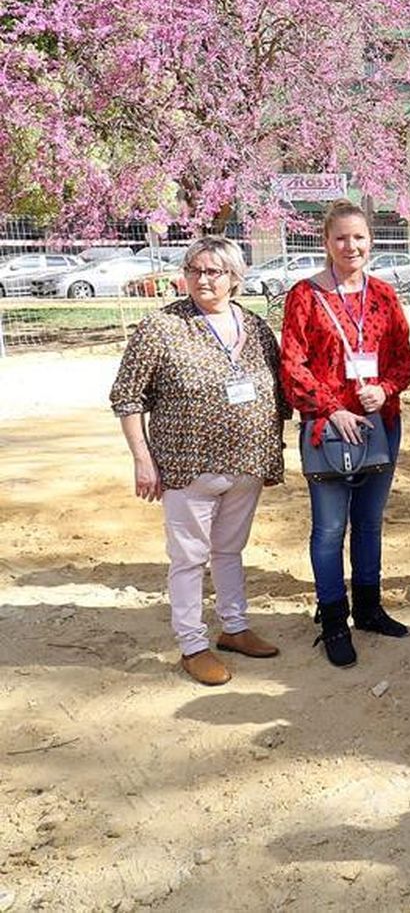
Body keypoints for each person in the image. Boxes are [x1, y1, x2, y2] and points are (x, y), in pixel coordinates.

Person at [110, 235, 288, 686]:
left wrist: (269, 454)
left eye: (214, 271)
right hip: (188, 466)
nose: (203, 278)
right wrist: (142, 459)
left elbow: (278, 395)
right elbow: (127, 397)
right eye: (194, 269)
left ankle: (234, 627)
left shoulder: (256, 328)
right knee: (188, 558)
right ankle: (192, 644)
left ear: (234, 278)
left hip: (246, 462)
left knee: (230, 549)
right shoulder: (162, 327)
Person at [280, 200, 410, 668]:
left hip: (380, 426)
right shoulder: (305, 296)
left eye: (358, 237)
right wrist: (332, 409)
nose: (350, 245)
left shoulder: (382, 295)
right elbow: (292, 366)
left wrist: (386, 387)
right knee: (329, 527)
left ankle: (369, 607)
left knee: (370, 522)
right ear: (326, 242)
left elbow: (403, 358)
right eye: (341, 238)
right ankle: (334, 619)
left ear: (370, 240)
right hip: (329, 431)